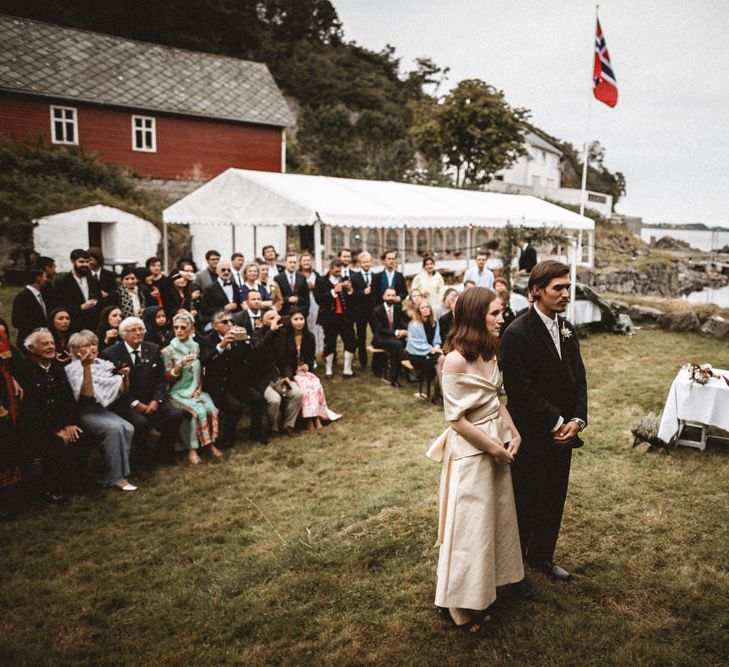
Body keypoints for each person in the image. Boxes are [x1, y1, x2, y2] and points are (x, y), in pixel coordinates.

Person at [425, 286, 524, 633]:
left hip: (497, 444)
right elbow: (456, 420)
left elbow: (497, 400)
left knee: (490, 524)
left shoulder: (490, 352)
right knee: (467, 529)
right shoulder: (454, 360)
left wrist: (514, 433)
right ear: (474, 316)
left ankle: (484, 589)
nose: (502, 318)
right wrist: (493, 449)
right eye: (495, 313)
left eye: (502, 312)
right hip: (471, 453)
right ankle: (455, 602)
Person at [500, 261, 588, 582]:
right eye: (559, 288)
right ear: (537, 290)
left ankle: (542, 556)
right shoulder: (516, 333)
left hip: (565, 433)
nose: (566, 294)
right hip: (532, 433)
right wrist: (556, 421)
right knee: (525, 499)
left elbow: (579, 378)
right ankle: (514, 565)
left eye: (568, 287)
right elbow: (520, 390)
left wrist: (577, 420)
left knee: (554, 496)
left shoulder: (568, 329)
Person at [101, 316, 185, 466]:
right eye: (133, 330)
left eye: (141, 329)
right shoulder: (111, 354)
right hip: (126, 402)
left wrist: (156, 400)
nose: (138, 333)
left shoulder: (152, 348)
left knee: (175, 414)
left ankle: (164, 453)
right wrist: (135, 403)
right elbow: (111, 387)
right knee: (140, 423)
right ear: (123, 334)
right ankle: (143, 459)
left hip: (152, 398)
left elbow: (161, 379)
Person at [64, 330, 137, 491]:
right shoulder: (73, 368)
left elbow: (122, 391)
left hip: (102, 410)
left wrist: (125, 377)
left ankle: (113, 472)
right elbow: (87, 395)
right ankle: (116, 477)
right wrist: (86, 367)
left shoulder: (104, 365)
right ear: (77, 350)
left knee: (128, 427)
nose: (92, 348)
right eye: (86, 345)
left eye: (94, 344)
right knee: (115, 429)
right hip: (84, 412)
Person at [20, 329, 85, 505]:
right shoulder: (25, 371)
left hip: (61, 423)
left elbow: (68, 400)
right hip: (37, 427)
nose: (50, 347)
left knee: (80, 435)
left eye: (52, 343)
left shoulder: (57, 369)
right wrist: (55, 431)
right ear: (32, 348)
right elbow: (30, 410)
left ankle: (75, 482)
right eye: (45, 344)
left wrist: (70, 424)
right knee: (52, 444)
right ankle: (53, 489)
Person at [198, 310, 267, 447]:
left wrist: (247, 341)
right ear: (215, 326)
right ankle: (228, 438)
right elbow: (205, 361)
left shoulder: (237, 338)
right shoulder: (207, 340)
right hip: (217, 385)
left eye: (231, 321)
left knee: (257, 398)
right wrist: (221, 346)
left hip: (235, 382)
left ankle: (256, 433)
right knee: (234, 406)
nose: (229, 324)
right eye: (225, 322)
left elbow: (249, 359)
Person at [162, 311, 222, 464]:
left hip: (195, 389)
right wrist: (179, 365)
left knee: (211, 408)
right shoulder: (168, 351)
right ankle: (192, 449)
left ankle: (210, 444)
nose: (179, 331)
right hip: (176, 392)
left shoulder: (195, 346)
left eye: (183, 327)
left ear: (191, 329)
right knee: (197, 412)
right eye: (176, 328)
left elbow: (200, 370)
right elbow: (166, 378)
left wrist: (198, 389)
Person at [280, 309, 341, 430]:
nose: (299, 322)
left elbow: (311, 358)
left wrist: (308, 365)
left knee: (314, 383)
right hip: (290, 371)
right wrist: (290, 372)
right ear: (290, 321)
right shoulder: (285, 336)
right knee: (304, 386)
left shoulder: (309, 337)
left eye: (301, 319)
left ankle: (316, 417)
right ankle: (308, 419)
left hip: (304, 370)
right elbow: (283, 359)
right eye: (296, 319)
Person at [247, 310, 304, 438]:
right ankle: (273, 428)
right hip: (262, 379)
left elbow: (289, 359)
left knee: (298, 393)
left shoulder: (283, 334)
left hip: (278, 376)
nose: (275, 320)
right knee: (275, 399)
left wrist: (287, 376)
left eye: (276, 317)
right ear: (263, 321)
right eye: (271, 318)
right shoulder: (257, 334)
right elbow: (257, 350)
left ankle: (289, 425)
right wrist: (271, 331)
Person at [315, 259, 357, 379]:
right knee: (330, 343)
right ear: (331, 269)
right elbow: (319, 299)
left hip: (345, 317)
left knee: (351, 341)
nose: (339, 272)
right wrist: (333, 291)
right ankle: (329, 371)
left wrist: (349, 290)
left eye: (340, 270)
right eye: (336, 270)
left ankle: (347, 370)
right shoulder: (321, 281)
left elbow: (352, 299)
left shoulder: (345, 280)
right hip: (329, 318)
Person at [0, 318, 24, 514]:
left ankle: (11, 496)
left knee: (7, 438)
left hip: (4, 385)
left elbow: (10, 359)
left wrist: (12, 378)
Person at [53, 249, 100, 331]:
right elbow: (59, 307)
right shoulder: (62, 282)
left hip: (93, 326)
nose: (85, 264)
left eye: (87, 261)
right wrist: (81, 307)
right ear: (73, 262)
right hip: (73, 326)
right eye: (81, 262)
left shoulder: (93, 280)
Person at [370, 287, 409, 387]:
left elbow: (401, 322)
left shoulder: (397, 308)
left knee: (403, 343)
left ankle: (402, 372)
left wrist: (406, 331)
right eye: (389, 295)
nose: (391, 298)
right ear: (384, 297)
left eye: (393, 295)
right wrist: (396, 332)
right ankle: (399, 375)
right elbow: (380, 330)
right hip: (380, 339)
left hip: (394, 338)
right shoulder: (377, 310)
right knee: (397, 345)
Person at [406, 300, 443, 394]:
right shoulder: (413, 325)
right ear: (418, 311)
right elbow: (416, 344)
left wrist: (437, 345)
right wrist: (433, 349)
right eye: (422, 307)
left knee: (442, 363)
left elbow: (437, 339)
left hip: (432, 352)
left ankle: (439, 394)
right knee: (441, 361)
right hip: (416, 354)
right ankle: (440, 395)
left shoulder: (434, 322)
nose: (426, 309)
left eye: (427, 307)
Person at [351, 251, 377, 370]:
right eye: (364, 262)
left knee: (377, 335)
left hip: (374, 312)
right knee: (361, 337)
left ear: (371, 262)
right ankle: (363, 362)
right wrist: (363, 292)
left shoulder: (376, 276)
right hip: (360, 312)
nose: (366, 264)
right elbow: (352, 295)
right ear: (360, 263)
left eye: (368, 261)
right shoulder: (354, 277)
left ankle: (378, 361)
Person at [11, 267, 49, 347]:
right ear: (38, 278)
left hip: (41, 341)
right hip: (29, 342)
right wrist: (37, 330)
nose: (46, 280)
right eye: (45, 277)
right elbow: (16, 321)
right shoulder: (23, 297)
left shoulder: (41, 295)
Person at [200, 260, 243, 328]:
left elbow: (239, 305)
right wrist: (224, 308)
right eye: (223, 270)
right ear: (217, 271)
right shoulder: (209, 289)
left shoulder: (235, 286)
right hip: (218, 323)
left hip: (235, 322)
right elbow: (205, 310)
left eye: (229, 270)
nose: (226, 272)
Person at [299, 253, 324, 356]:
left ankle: (315, 351)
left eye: (308, 260)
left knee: (316, 327)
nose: (306, 262)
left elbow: (322, 289)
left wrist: (314, 287)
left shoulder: (316, 275)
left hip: (315, 303)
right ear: (300, 262)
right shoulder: (298, 275)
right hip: (303, 303)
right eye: (304, 260)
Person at [274, 252, 310, 317]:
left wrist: (304, 312)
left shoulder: (302, 277)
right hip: (284, 314)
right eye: (290, 262)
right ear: (285, 262)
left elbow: (306, 298)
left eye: (294, 262)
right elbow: (276, 298)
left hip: (300, 314)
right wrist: (287, 299)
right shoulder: (278, 278)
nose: (293, 265)